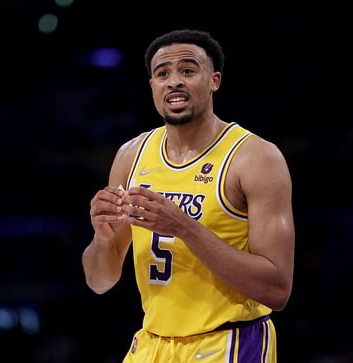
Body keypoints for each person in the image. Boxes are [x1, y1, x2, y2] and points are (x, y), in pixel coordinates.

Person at [81, 28, 295, 363]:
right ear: (152, 86)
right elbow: (99, 282)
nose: (174, 81)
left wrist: (184, 227)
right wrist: (103, 239)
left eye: (188, 70)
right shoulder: (130, 155)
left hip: (229, 342)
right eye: (162, 73)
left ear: (214, 81)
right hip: (152, 344)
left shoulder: (255, 158)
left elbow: (277, 289)